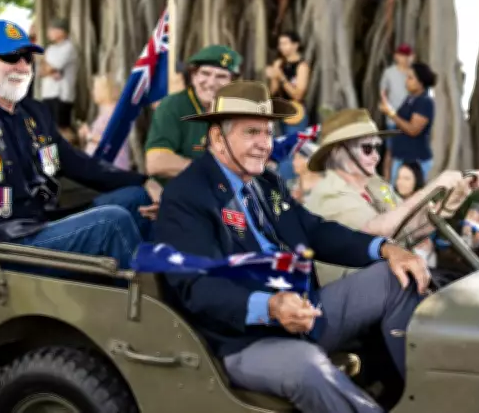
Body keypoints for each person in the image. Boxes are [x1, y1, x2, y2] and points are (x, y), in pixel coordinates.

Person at [154, 81, 431, 413]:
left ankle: (426, 400)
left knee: (397, 277)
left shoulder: (265, 182)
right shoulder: (187, 195)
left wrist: (385, 248)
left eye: (268, 133)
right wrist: (270, 305)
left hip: (306, 309)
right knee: (307, 367)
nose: (263, 145)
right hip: (244, 339)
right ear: (217, 138)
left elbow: (314, 230)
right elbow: (196, 288)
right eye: (251, 132)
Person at [0, 20, 162, 270]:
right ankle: (144, 303)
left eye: (27, 58)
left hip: (40, 225)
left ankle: (155, 288)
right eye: (10, 57)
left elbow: (78, 163)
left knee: (136, 199)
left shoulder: (34, 112)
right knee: (112, 222)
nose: (22, 66)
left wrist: (142, 181)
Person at [303, 108, 479, 284]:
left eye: (376, 148)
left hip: (387, 280)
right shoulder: (328, 194)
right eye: (367, 149)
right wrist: (433, 187)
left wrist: (451, 201)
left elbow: (408, 228)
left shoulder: (376, 185)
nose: (376, 157)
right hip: (354, 291)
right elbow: (378, 232)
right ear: (338, 153)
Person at [144, 45, 242, 181]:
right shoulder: (173, 106)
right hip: (175, 194)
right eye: (205, 73)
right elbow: (156, 163)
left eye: (221, 76)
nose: (211, 82)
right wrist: (213, 171)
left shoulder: (237, 111)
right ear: (193, 76)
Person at [379, 61, 437, 183]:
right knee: (394, 196)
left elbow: (413, 130)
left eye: (410, 78)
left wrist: (391, 113)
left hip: (414, 160)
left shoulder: (424, 102)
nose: (406, 81)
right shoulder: (410, 98)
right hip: (399, 157)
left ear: (421, 82)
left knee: (411, 197)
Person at [78, 74, 132, 170]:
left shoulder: (114, 113)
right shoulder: (107, 111)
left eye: (95, 89)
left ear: (104, 90)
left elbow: (110, 140)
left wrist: (88, 136)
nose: (92, 92)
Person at [39, 18, 78, 141]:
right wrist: (49, 69)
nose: (48, 33)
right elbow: (42, 69)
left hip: (62, 94)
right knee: (48, 128)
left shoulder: (69, 47)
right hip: (48, 93)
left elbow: (53, 67)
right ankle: (51, 159)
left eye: (52, 30)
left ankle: (69, 155)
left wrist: (49, 69)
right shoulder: (50, 49)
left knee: (62, 128)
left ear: (61, 32)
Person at [380, 44, 414, 180]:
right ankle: (387, 182)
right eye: (401, 55)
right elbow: (383, 92)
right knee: (391, 151)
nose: (404, 58)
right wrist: (387, 108)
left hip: (411, 120)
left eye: (407, 55)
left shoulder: (413, 74)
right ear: (396, 56)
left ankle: (404, 182)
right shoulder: (389, 73)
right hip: (393, 119)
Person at [266, 31, 310, 135]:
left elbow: (298, 95)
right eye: (280, 44)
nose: (281, 47)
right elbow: (273, 91)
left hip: (295, 113)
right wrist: (273, 77)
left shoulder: (302, 67)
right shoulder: (279, 63)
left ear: (295, 45)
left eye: (285, 43)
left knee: (292, 147)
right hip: (279, 112)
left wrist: (281, 77)